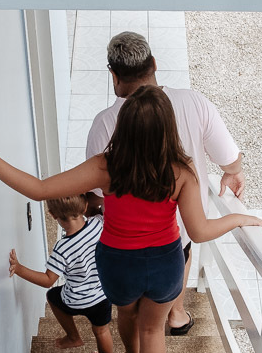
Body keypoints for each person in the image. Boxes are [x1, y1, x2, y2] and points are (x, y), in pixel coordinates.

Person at [0, 85, 262, 353]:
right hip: (165, 263)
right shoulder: (181, 172)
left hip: (118, 263)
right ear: (168, 128)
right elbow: (198, 231)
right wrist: (238, 217)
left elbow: (39, 190)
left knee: (125, 314)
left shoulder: (105, 167)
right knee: (154, 330)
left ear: (123, 127)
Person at [86, 31, 245, 336]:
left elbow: (96, 195)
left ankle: (135, 342)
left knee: (134, 312)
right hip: (179, 231)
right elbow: (228, 156)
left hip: (125, 241)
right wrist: (234, 172)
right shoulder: (193, 102)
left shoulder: (105, 123)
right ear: (154, 63)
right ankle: (176, 313)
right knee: (179, 257)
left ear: (113, 75)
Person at [8, 196, 114, 353]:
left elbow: (48, 280)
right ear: (85, 207)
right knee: (101, 331)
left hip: (76, 301)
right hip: (103, 294)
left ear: (52, 214)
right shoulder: (98, 225)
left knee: (52, 296)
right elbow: (106, 208)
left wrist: (19, 269)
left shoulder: (61, 248)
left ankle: (73, 337)